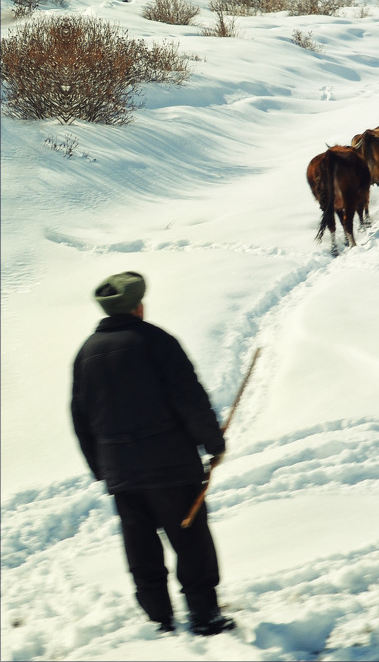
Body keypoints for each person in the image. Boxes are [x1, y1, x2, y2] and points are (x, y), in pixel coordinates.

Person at [71, 271, 235, 637]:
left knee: (140, 542)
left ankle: (158, 617)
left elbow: (81, 418)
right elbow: (188, 396)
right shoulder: (157, 341)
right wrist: (213, 442)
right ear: (138, 306)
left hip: (120, 472)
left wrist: (102, 468)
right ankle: (204, 615)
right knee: (190, 540)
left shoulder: (86, 353)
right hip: (170, 466)